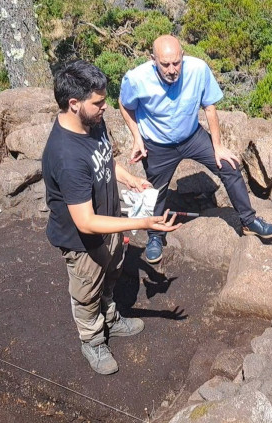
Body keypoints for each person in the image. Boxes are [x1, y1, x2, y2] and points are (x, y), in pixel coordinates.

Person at [42, 60, 181, 375]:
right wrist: (143, 223)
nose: (105, 107)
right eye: (99, 103)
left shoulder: (92, 122)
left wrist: (129, 179)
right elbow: (86, 223)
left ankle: (112, 317)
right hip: (82, 240)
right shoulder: (65, 155)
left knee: (113, 271)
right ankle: (92, 340)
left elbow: (104, 160)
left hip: (109, 221)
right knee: (87, 290)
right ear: (74, 104)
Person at [118, 35, 272, 264]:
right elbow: (124, 104)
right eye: (165, 64)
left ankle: (249, 221)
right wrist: (137, 138)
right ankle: (155, 236)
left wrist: (218, 146)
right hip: (158, 143)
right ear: (153, 59)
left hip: (192, 136)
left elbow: (209, 107)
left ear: (183, 56)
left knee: (229, 166)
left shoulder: (198, 69)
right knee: (155, 191)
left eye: (176, 62)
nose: (172, 69)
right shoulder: (136, 79)